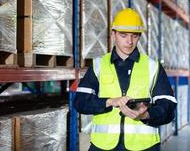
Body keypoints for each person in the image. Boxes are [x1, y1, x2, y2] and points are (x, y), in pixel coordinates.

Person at [74, 8, 177, 151]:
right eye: (123, 35)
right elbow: (80, 102)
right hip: (103, 146)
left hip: (144, 146)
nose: (129, 41)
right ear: (113, 34)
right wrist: (110, 101)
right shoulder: (99, 65)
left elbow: (169, 108)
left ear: (139, 36)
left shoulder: (152, 67)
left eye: (134, 36)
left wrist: (146, 115)